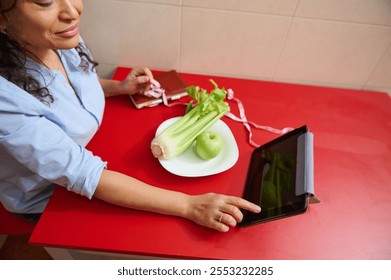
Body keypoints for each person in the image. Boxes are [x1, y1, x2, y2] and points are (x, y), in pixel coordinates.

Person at [0, 0, 260, 232]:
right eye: (45, 2)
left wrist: (118, 88)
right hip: (49, 194)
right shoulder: (6, 99)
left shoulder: (57, 37)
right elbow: (84, 174)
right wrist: (189, 205)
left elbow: (69, 88)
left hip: (94, 152)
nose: (72, 11)